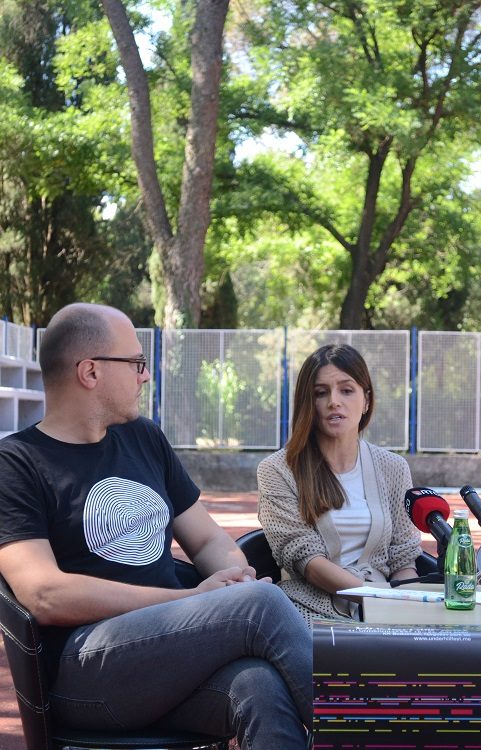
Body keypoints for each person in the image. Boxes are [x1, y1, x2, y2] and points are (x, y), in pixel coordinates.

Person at [0, 303, 312, 750]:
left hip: (168, 661)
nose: (145, 375)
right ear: (90, 372)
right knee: (260, 604)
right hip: (85, 673)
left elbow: (207, 538)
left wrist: (235, 577)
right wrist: (196, 599)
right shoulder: (15, 464)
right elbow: (45, 594)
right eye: (136, 363)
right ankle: (368, 734)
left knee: (258, 685)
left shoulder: (143, 437)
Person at [257, 343, 422, 626]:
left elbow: (403, 560)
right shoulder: (277, 470)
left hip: (384, 613)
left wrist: (405, 610)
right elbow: (307, 561)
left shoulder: (394, 468)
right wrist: (377, 597)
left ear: (366, 400)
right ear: (308, 403)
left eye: (346, 390)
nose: (334, 401)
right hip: (307, 613)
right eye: (321, 393)